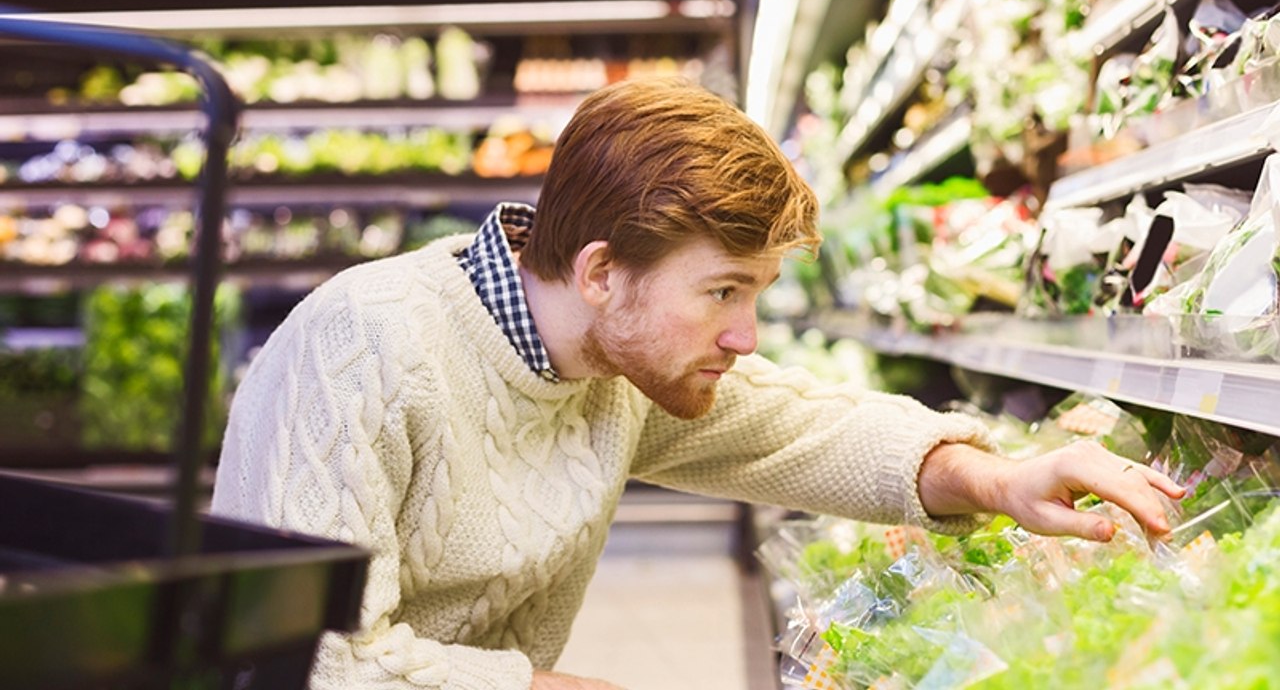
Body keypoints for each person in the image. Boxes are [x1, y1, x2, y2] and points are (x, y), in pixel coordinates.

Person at [210, 77, 1184, 690]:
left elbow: (798, 428)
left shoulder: (613, 363)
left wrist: (997, 477)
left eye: (754, 293)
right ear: (601, 272)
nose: (744, 335)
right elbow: (310, 661)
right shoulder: (363, 351)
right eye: (721, 291)